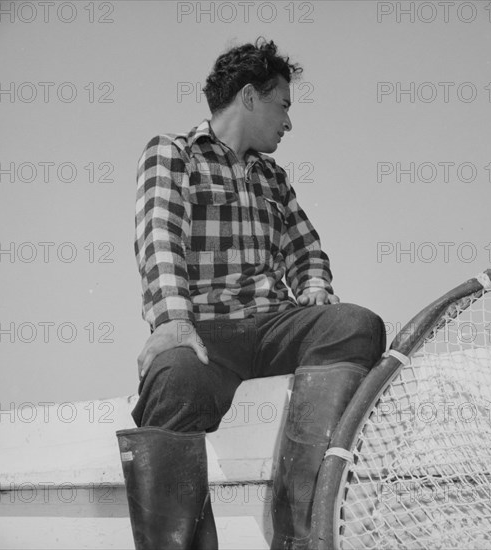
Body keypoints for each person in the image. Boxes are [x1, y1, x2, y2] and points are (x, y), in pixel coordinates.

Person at [116, 37, 386, 550]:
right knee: (173, 378)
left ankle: (301, 535)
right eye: (283, 105)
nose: (289, 122)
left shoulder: (273, 178)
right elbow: (158, 237)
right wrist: (172, 320)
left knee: (355, 324)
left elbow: (307, 249)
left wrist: (313, 286)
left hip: (274, 324)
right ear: (249, 96)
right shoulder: (172, 154)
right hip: (207, 334)